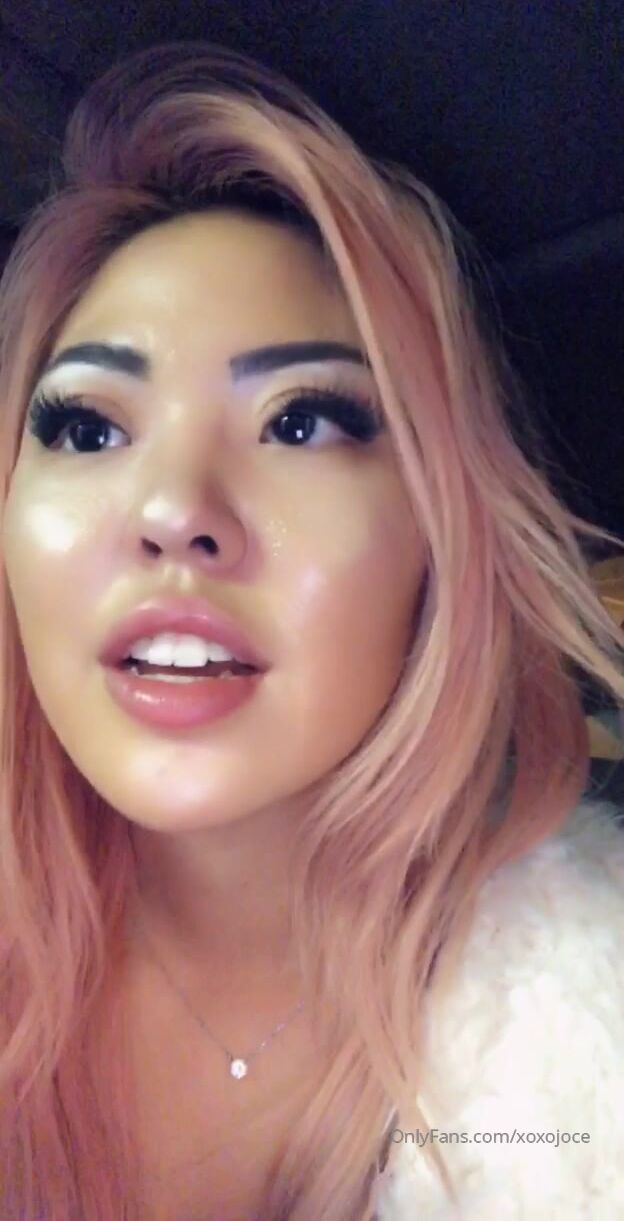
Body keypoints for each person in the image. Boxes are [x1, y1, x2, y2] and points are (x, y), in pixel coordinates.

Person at [0, 41, 622, 1221]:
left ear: (443, 533)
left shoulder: (592, 1057)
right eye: (87, 427)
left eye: (302, 422)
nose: (174, 510)